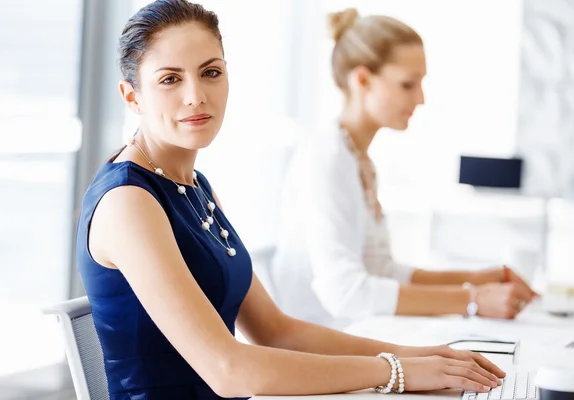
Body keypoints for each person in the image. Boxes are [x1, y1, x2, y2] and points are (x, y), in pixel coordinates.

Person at [76, 1, 505, 398]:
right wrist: (394, 371)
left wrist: (421, 356)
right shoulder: (128, 201)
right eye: (170, 79)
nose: (196, 95)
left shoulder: (195, 187)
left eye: (211, 72)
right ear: (132, 96)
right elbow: (228, 370)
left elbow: (277, 331)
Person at [271, 8, 538, 330]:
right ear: (362, 80)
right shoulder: (327, 159)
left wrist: (473, 280)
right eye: (408, 84)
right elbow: (345, 292)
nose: (421, 98)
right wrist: (472, 300)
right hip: (323, 345)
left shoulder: (357, 158)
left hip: (356, 333)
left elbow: (380, 271)